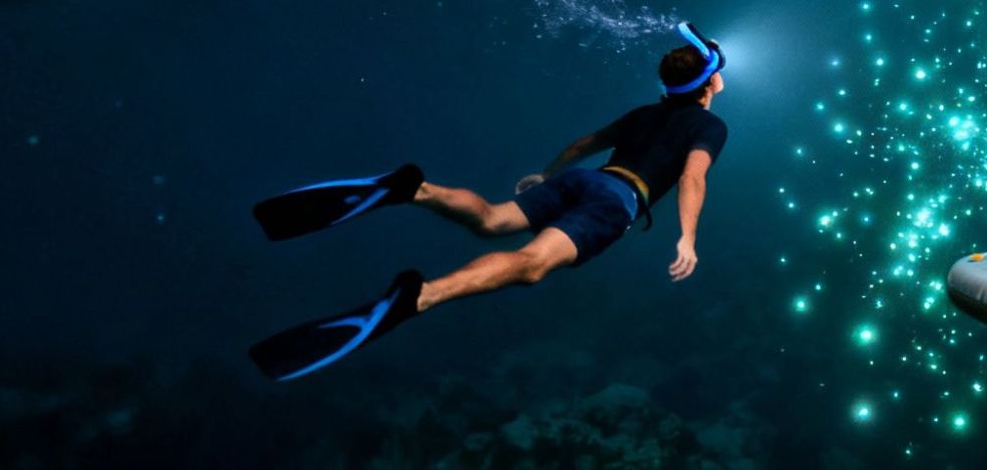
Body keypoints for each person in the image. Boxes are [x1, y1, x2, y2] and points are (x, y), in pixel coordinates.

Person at [246, 22, 730, 381]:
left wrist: (549, 174)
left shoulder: (646, 111)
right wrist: (687, 237)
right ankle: (422, 295)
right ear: (709, 84)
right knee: (532, 264)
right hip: (616, 201)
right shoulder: (709, 125)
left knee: (492, 220)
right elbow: (692, 178)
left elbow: (586, 142)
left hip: (585, 180)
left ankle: (414, 189)